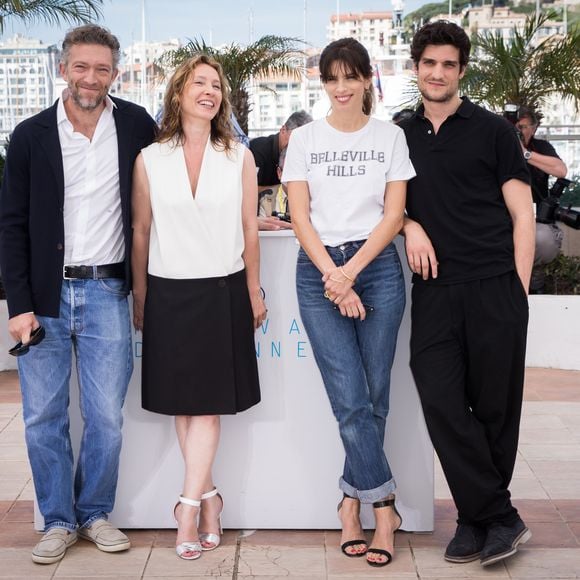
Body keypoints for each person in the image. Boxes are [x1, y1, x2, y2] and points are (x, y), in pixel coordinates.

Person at [0, 25, 156, 564]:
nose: (92, 78)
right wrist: (17, 305)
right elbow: (11, 225)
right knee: (44, 415)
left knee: (106, 416)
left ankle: (93, 512)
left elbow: (176, 188)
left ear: (116, 73)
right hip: (44, 297)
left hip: (109, 289)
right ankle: (58, 520)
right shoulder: (29, 136)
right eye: (81, 67)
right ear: (62, 69)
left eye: (103, 68)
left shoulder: (137, 124)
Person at [398, 21, 535, 567]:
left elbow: (522, 215)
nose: (437, 72)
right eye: (429, 63)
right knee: (442, 402)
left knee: (496, 410)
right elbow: (384, 207)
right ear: (416, 68)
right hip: (433, 290)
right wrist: (410, 223)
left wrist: (517, 291)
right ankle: (499, 514)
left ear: (461, 69)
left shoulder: (494, 131)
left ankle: (475, 521)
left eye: (448, 64)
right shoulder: (398, 134)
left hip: (495, 285)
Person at [283, 37, 415, 568]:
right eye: (330, 79)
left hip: (377, 268)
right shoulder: (304, 140)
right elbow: (299, 217)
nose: (340, 88)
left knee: (376, 395)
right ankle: (384, 507)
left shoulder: (390, 137)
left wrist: (352, 272)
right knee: (350, 397)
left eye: (349, 77)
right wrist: (332, 276)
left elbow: (393, 215)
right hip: (317, 270)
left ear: (367, 79)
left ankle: (347, 501)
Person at [131, 53, 266, 561]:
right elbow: (142, 231)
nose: (208, 90)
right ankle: (211, 498)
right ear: (179, 93)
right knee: (184, 405)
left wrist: (254, 290)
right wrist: (141, 295)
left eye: (215, 85)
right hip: (167, 293)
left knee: (207, 405)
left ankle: (186, 506)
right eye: (198, 83)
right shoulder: (149, 158)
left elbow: (250, 228)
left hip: (222, 290)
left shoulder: (239, 157)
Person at [516, 106, 568, 293]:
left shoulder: (541, 147)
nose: (518, 132)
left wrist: (525, 154)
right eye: (513, 127)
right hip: (502, 219)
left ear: (534, 128)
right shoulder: (496, 145)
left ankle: (535, 279)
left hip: (536, 220)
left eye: (522, 127)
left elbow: (560, 170)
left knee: (542, 239)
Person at [250, 110, 312, 231]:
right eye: (296, 138)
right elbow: (247, 190)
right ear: (283, 130)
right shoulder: (258, 151)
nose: (299, 145)